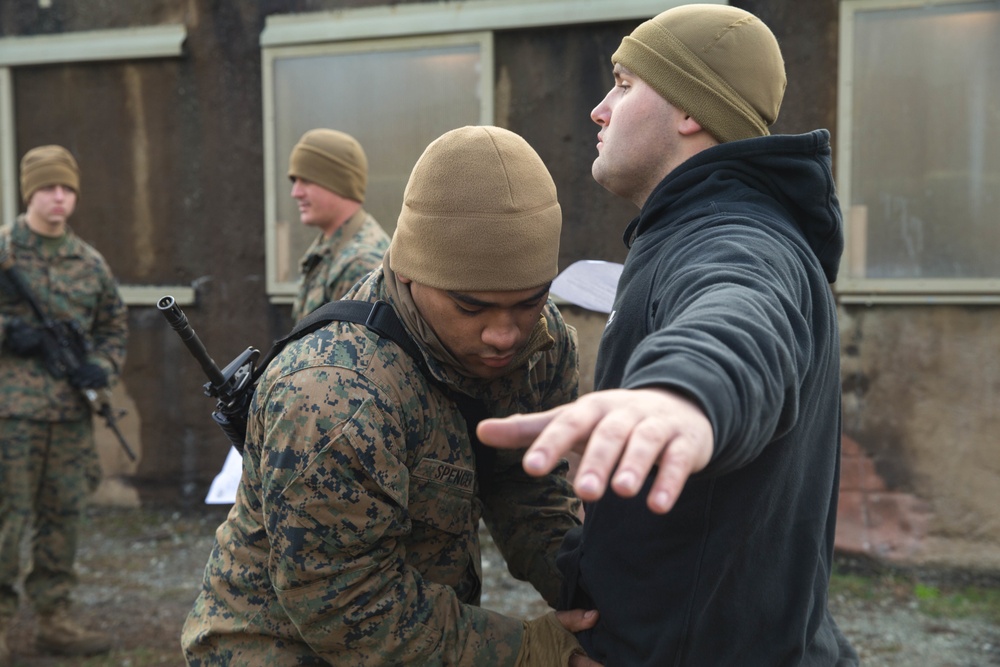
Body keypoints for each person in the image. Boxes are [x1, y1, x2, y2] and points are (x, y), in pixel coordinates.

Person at [478, 5, 860, 665]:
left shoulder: (735, 236)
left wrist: (685, 392)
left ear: (690, 111)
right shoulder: (708, 227)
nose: (599, 110)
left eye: (623, 85)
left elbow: (740, 313)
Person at [181, 125, 600, 666]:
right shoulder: (333, 394)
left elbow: (524, 485)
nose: (505, 334)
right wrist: (528, 651)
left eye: (528, 301)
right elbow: (344, 602)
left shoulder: (541, 346)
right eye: (471, 307)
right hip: (281, 647)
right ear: (409, 271)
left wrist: (594, 592)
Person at [0, 145, 128, 659]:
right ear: (30, 191)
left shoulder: (90, 263)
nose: (59, 197)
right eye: (49, 188)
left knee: (63, 518)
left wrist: (103, 368)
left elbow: (113, 327)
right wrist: (10, 333)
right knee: (7, 519)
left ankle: (55, 617)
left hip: (70, 414)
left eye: (67, 188)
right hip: (10, 415)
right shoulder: (6, 251)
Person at [287, 128, 390, 322]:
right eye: (295, 181)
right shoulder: (328, 249)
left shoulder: (362, 263)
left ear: (339, 183)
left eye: (306, 180)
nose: (296, 192)